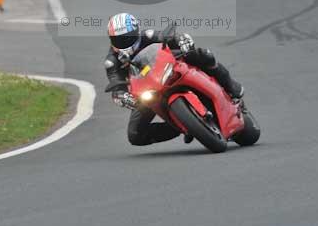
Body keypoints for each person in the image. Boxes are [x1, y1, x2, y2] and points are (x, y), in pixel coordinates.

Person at [104, 13, 243, 146]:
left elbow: (169, 37)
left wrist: (182, 40)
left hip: (167, 68)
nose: (124, 42)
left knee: (203, 55)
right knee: (135, 135)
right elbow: (116, 85)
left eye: (128, 37)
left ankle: (231, 86)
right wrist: (122, 96)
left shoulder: (148, 35)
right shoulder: (111, 62)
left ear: (137, 31)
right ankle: (181, 126)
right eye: (119, 40)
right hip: (146, 90)